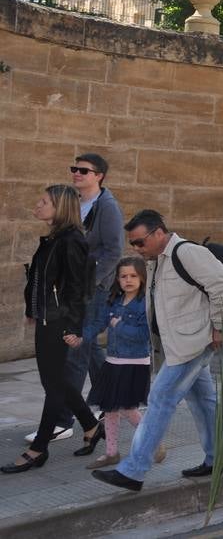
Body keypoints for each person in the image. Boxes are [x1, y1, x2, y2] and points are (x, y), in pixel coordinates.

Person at [92, 210, 223, 492]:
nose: (136, 248)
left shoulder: (187, 253)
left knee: (160, 398)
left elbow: (221, 285)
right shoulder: (157, 261)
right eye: (132, 244)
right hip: (175, 345)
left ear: (158, 233)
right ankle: (220, 460)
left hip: (193, 343)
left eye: (140, 242)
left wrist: (220, 326)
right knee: (204, 401)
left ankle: (133, 470)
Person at [4, 185, 101, 474]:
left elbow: (76, 289)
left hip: (59, 322)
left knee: (53, 385)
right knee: (57, 380)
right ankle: (92, 426)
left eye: (44, 201)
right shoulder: (55, 238)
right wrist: (32, 310)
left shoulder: (71, 240)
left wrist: (73, 327)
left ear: (60, 208)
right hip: (48, 318)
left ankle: (39, 448)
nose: (38, 205)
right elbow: (43, 280)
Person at [46, 153, 125, 445]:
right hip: (73, 287)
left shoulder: (107, 207)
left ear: (99, 175)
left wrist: (90, 284)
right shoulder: (74, 202)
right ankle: (113, 400)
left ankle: (64, 420)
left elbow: (114, 251)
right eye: (74, 168)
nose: (76, 173)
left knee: (75, 350)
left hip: (92, 289)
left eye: (83, 170)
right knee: (89, 349)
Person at [85, 257, 152, 469]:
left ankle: (154, 441)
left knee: (126, 407)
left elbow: (143, 335)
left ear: (142, 278)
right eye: (124, 276)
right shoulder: (113, 300)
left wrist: (119, 325)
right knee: (109, 407)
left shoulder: (144, 304)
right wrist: (81, 336)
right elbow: (99, 323)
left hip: (135, 363)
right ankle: (111, 452)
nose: (128, 280)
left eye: (133, 276)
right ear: (117, 279)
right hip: (113, 361)